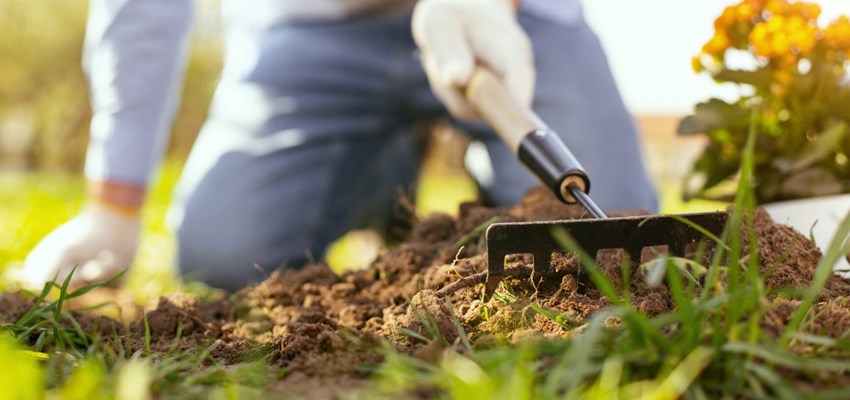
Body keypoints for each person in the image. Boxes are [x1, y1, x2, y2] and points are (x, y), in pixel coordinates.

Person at [22, 0, 658, 291]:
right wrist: (115, 201)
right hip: (312, 30)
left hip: (510, 18)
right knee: (222, 259)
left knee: (627, 245)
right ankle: (387, 169)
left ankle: (470, 154)